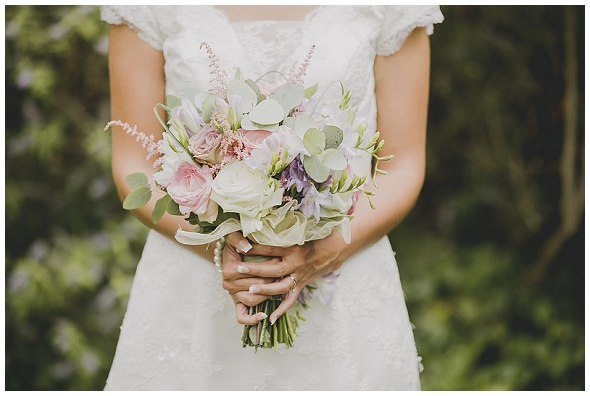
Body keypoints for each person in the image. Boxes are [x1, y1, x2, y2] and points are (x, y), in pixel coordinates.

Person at [101, 5, 443, 391]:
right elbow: (133, 164)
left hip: (342, 272)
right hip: (194, 285)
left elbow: (404, 164)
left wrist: (321, 252)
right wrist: (225, 249)